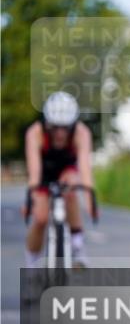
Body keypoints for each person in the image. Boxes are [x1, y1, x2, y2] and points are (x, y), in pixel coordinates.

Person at [23, 91, 96, 268]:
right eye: (55, 127)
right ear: (47, 123)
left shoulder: (82, 133)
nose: (60, 134)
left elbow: (85, 169)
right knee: (40, 218)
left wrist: (90, 201)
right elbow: (34, 172)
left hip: (67, 169)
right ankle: (32, 261)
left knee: (71, 188)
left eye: (65, 128)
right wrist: (32, 197)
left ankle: (78, 246)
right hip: (44, 172)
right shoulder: (35, 133)